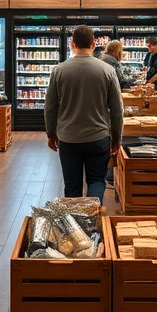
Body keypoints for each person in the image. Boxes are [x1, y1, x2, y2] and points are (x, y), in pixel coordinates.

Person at [45, 25, 124, 203]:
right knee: (96, 180)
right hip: (98, 137)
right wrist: (117, 139)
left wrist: (51, 133)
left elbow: (50, 107)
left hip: (68, 137)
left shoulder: (59, 71)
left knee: (72, 185)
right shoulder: (107, 71)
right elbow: (117, 110)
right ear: (94, 43)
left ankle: (75, 226)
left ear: (72, 44)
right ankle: (92, 221)